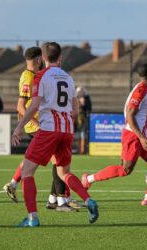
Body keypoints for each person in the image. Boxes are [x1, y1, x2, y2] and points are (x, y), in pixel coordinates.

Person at [11, 42, 99, 227]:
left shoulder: (40, 76)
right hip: (66, 130)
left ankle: (32, 218)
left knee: (27, 171)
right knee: (64, 172)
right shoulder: (68, 78)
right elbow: (75, 110)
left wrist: (19, 126)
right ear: (60, 58)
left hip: (49, 129)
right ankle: (88, 200)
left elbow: (34, 105)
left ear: (43, 58)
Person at [3, 46, 79, 212]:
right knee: (57, 161)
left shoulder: (39, 76)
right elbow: (21, 106)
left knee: (41, 159)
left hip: (44, 124)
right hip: (39, 125)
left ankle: (18, 185)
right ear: (39, 60)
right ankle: (60, 200)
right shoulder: (29, 77)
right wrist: (35, 124)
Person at [81, 63, 147, 206]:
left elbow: (145, 112)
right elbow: (130, 115)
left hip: (144, 134)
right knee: (125, 170)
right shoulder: (140, 91)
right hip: (134, 135)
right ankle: (88, 179)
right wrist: (141, 137)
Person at [75, 86, 92, 154]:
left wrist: (83, 104)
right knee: (78, 134)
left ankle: (82, 150)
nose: (80, 93)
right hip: (76, 119)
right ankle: (78, 149)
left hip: (83, 118)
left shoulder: (86, 99)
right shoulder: (74, 98)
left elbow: (89, 108)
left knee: (83, 134)